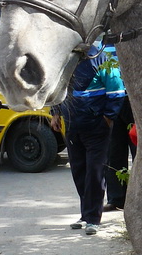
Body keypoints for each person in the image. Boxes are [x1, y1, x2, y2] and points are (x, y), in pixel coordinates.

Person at [51, 44, 127, 235]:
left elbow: (116, 91)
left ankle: (93, 218)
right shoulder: (67, 61)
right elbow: (59, 89)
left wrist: (108, 117)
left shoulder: (102, 59)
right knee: (79, 171)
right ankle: (85, 215)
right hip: (72, 126)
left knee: (94, 171)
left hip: (96, 127)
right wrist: (55, 113)